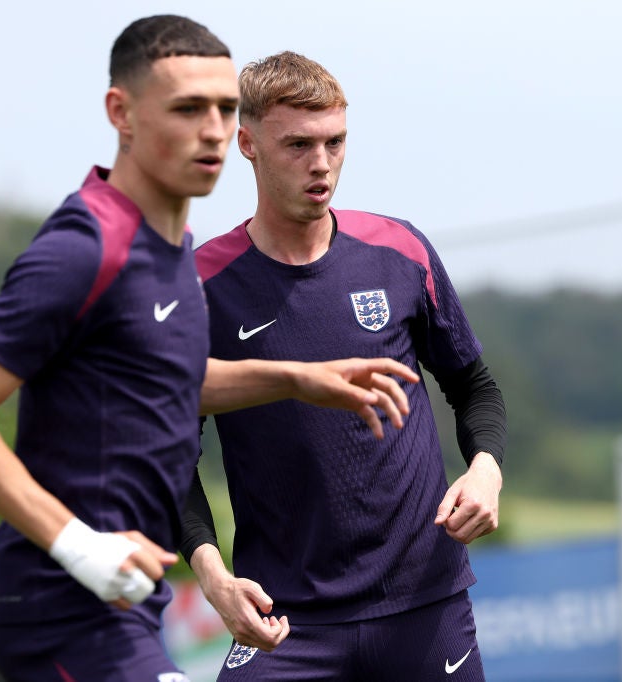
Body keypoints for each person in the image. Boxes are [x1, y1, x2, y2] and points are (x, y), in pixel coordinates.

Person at [0, 21, 419, 682]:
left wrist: (297, 378)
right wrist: (80, 547)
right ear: (121, 113)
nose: (212, 130)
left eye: (224, 109)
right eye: (187, 109)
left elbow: (169, 379)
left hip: (125, 607)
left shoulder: (170, 244)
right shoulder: (85, 248)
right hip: (59, 606)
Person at [180, 51, 507, 681]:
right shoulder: (201, 286)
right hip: (284, 622)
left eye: (335, 142)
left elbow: (474, 387)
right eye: (298, 144)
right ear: (246, 144)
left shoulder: (400, 250)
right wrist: (211, 573)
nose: (322, 163)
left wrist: (486, 469)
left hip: (426, 607)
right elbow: (168, 451)